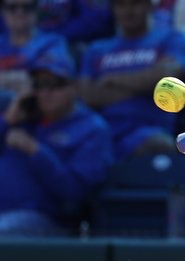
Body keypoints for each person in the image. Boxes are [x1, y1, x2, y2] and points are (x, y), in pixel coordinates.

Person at [78, 0, 185, 159]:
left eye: (135, 2)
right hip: (100, 132)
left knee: (158, 144)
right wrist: (146, 85)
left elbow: (171, 79)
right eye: (121, 4)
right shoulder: (96, 50)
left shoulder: (170, 39)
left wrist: (113, 80)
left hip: (148, 130)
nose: (128, 10)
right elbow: (87, 95)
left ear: (149, 5)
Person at [0, 52, 113, 236]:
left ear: (74, 88)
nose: (45, 93)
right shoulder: (22, 117)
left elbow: (74, 193)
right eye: (39, 85)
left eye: (55, 85)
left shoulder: (92, 128)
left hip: (43, 220)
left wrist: (35, 151)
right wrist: (7, 121)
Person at [0, 0, 76, 104]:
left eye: (27, 7)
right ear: (2, 11)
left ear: (36, 10)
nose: (20, 12)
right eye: (12, 7)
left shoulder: (53, 43)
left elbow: (48, 83)